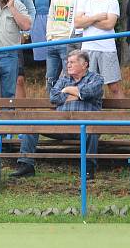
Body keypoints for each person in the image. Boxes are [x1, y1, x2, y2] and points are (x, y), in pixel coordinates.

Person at [11, 50, 104, 178]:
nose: (68, 65)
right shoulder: (64, 79)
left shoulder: (96, 78)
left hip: (84, 127)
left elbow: (90, 92)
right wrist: (78, 95)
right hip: (60, 126)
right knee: (32, 124)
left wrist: (67, 90)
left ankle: (88, 168)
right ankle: (26, 165)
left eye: (72, 62)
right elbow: (54, 97)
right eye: (68, 62)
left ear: (85, 64)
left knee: (91, 129)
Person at [74, 0, 124, 97]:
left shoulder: (112, 2)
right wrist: (95, 18)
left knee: (114, 86)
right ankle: (93, 115)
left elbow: (109, 24)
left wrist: (87, 20)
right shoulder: (84, 1)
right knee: (88, 86)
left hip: (106, 49)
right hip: (87, 49)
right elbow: (77, 23)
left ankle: (124, 115)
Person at [45, 0, 83, 93]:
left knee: (69, 76)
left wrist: (69, 38)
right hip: (52, 41)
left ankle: (68, 107)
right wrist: (49, 36)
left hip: (67, 41)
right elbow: (50, 16)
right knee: (50, 79)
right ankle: (51, 109)